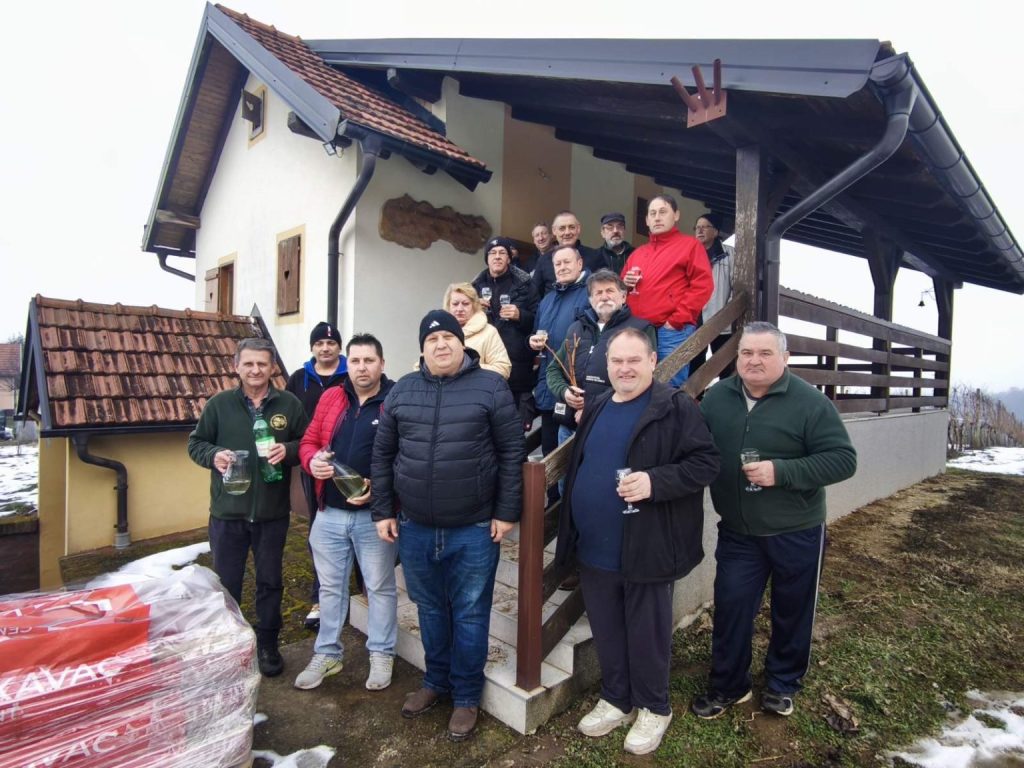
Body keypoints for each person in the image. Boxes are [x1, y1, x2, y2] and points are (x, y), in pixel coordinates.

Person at [554, 327, 720, 755]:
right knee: (606, 628)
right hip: (594, 546)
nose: (624, 369)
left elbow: (706, 463)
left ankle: (654, 707)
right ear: (607, 365)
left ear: (651, 362)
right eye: (617, 361)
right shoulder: (599, 405)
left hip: (647, 546)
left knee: (647, 632)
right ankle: (617, 698)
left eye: (633, 360)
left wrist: (654, 482)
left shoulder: (674, 406)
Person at [372, 310, 525, 741]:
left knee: (471, 614)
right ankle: (436, 681)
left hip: (473, 528)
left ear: (462, 343)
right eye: (432, 339)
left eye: (448, 337)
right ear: (422, 348)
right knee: (430, 610)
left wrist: (506, 511)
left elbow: (512, 452)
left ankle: (466, 696)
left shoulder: (490, 387)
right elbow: (383, 455)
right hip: (415, 526)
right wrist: (383, 510)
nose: (441, 345)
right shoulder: (403, 390)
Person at [693, 322, 857, 720]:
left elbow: (843, 460)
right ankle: (729, 685)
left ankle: (783, 683)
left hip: (797, 529)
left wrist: (781, 472)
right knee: (732, 607)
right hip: (739, 530)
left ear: (785, 358)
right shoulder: (717, 398)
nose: (754, 361)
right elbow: (693, 444)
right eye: (747, 353)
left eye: (765, 353)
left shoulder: (810, 403)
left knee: (792, 609)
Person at [187, 337, 309, 677]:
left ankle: (267, 645)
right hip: (228, 514)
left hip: (272, 513)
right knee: (227, 585)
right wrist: (214, 455)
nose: (255, 370)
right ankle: (230, 645)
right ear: (237, 366)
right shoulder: (219, 405)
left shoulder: (289, 404)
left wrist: (289, 450)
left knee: (270, 582)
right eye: (249, 364)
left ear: (272, 368)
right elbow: (196, 443)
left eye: (262, 364)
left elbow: (307, 442)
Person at [294, 334, 397, 692]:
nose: (361, 367)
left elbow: (407, 455)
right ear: (346, 364)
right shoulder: (332, 397)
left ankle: (381, 653)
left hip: (375, 517)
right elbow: (308, 441)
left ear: (382, 364)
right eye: (355, 361)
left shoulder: (395, 400)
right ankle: (327, 654)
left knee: (379, 587)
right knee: (330, 588)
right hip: (329, 513)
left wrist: (380, 489)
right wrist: (312, 461)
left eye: (369, 360)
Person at [286, 321, 348, 631]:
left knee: (361, 529)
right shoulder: (299, 379)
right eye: (319, 343)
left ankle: (361, 593)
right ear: (312, 347)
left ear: (339, 346)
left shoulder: (351, 374)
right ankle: (321, 597)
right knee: (320, 531)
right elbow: (288, 421)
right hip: (315, 466)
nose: (325, 348)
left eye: (331, 343)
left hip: (350, 463)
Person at [546, 269, 655, 439]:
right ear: (590, 300)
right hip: (568, 426)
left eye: (610, 291)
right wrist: (564, 392)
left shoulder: (640, 330)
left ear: (623, 296)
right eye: (598, 293)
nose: (604, 297)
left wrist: (592, 408)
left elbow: (643, 379)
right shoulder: (576, 328)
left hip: (612, 425)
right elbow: (553, 369)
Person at [622, 195, 714, 387]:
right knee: (635, 383)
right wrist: (625, 284)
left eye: (663, 212)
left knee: (667, 387)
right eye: (652, 213)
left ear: (676, 215)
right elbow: (620, 292)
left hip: (671, 330)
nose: (657, 217)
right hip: (638, 330)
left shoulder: (690, 246)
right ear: (646, 220)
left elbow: (703, 285)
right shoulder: (637, 253)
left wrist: (677, 320)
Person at [528, 246, 591, 477]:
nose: (562, 267)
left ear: (579, 263)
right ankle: (552, 499)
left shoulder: (590, 294)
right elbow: (536, 331)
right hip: (548, 388)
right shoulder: (547, 299)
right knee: (549, 452)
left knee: (575, 458)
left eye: (567, 262)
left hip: (576, 391)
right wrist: (532, 341)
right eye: (558, 264)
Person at [473, 236, 540, 431]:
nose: (497, 256)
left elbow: (539, 319)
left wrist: (521, 315)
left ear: (509, 258)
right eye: (492, 253)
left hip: (516, 366)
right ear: (487, 259)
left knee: (513, 429)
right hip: (484, 365)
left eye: (502, 253)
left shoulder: (526, 284)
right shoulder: (474, 287)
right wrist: (475, 310)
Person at [688, 213, 736, 380]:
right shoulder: (689, 254)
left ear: (715, 232)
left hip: (720, 318)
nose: (700, 231)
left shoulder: (729, 254)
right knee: (694, 364)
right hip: (694, 318)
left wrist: (727, 313)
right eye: (697, 227)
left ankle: (725, 395)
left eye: (705, 227)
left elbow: (736, 287)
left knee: (724, 365)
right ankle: (694, 396)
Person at [441, 282, 512, 378]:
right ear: (448, 306)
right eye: (455, 304)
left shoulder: (489, 332)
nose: (460, 308)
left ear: (474, 306)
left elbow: (503, 369)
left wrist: (468, 366)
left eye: (465, 304)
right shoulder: (438, 333)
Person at [532, 211, 606, 297]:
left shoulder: (595, 256)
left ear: (578, 229)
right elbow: (534, 295)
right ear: (554, 231)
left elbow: (605, 287)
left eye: (571, 227)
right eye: (562, 228)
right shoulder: (543, 260)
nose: (567, 232)